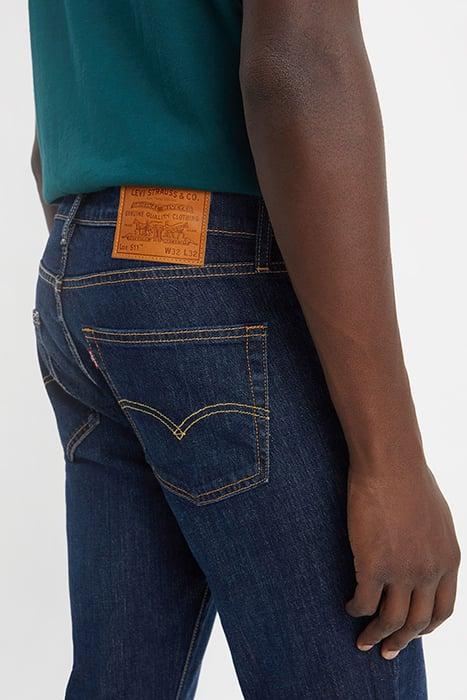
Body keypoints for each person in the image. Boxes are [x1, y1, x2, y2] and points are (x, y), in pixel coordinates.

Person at [29, 1, 460, 698]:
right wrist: (392, 464)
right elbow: (298, 67)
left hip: (80, 263)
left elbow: (50, 136)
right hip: (211, 275)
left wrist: (123, 277)